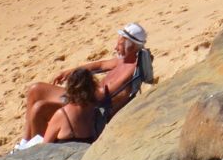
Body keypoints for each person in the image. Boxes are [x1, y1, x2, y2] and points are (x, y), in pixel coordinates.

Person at [20, 25, 152, 145]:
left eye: (120, 45)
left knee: (39, 108)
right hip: (85, 93)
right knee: (35, 89)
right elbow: (100, 65)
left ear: (132, 47)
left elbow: (102, 95)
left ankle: (35, 151)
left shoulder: (131, 69)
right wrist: (72, 72)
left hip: (89, 103)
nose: (115, 48)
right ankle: (24, 142)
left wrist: (79, 84)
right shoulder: (124, 60)